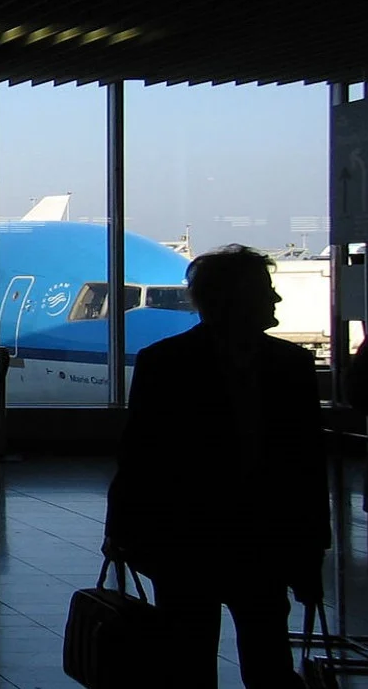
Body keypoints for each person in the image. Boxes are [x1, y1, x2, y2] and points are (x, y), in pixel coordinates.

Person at [104, 244, 329, 689]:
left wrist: (121, 531)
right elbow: (306, 466)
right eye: (266, 290)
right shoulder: (289, 367)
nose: (276, 300)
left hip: (201, 542)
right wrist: (310, 548)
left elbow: (138, 459)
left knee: (200, 658)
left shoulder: (164, 363)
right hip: (222, 541)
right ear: (236, 299)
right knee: (255, 657)